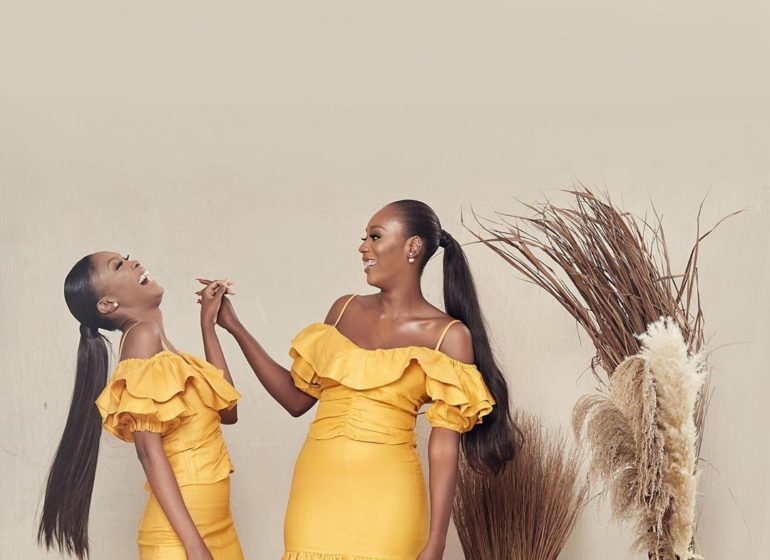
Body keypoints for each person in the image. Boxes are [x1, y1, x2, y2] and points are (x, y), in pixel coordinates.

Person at [209, 199, 518, 559]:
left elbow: (444, 446)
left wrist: (436, 540)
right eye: (364, 238)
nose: (363, 247)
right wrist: (234, 327)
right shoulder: (344, 310)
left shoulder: (448, 336)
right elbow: (296, 400)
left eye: (375, 236)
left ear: (413, 247)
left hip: (389, 503)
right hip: (316, 493)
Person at [38, 252, 243, 560]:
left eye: (126, 258)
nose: (133, 263)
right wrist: (195, 548)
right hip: (181, 542)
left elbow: (228, 411)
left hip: (219, 529)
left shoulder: (169, 354)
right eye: (118, 266)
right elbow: (147, 451)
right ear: (108, 304)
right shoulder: (142, 338)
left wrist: (208, 325)